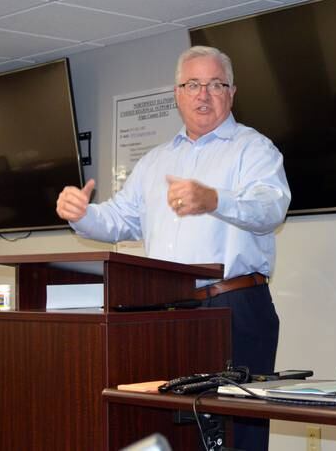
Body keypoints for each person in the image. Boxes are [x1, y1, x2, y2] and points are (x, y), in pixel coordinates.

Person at [56, 45, 291, 450]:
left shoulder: (254, 149)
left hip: (234, 306)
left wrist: (215, 199)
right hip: (169, 313)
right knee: (177, 427)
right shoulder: (154, 162)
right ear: (177, 94)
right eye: (193, 84)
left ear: (232, 92)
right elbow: (118, 220)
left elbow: (271, 208)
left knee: (237, 432)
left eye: (215, 84)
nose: (204, 94)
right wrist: (80, 214)